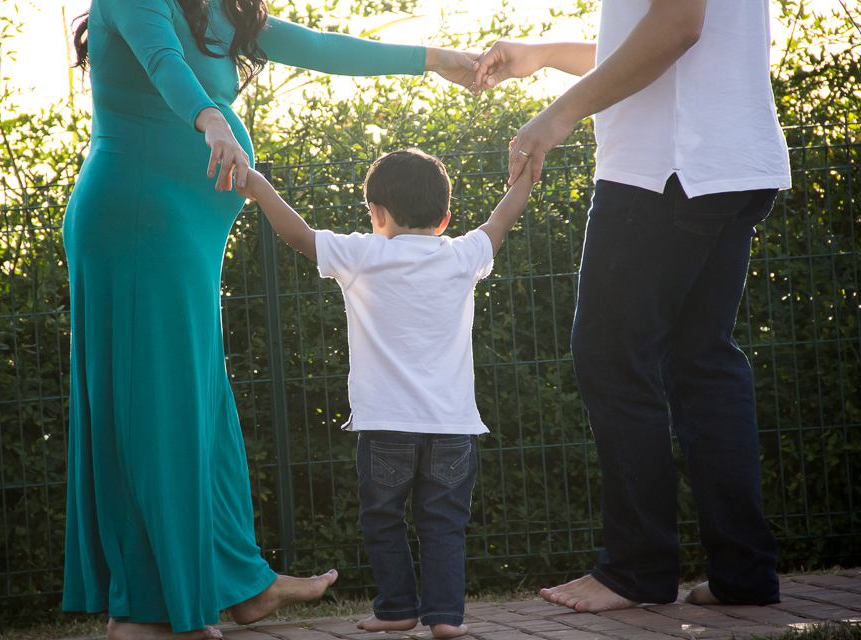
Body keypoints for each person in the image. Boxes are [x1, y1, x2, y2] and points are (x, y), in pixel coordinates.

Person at [60, 1, 483, 638]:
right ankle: (149, 607)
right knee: (157, 411)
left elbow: (319, 46)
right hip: (140, 221)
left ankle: (238, 583)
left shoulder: (211, 11)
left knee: (202, 410)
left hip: (187, 235)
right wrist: (212, 119)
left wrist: (433, 60)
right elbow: (163, 61)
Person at [472, 0, 790, 612]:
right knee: (704, 362)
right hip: (730, 160)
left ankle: (636, 570)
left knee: (613, 359)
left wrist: (557, 115)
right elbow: (655, 53)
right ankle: (743, 574)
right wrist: (540, 56)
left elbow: (675, 29)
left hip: (663, 170)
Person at [232, 149, 534, 638]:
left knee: (383, 520)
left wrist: (260, 187)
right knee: (444, 525)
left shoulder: (364, 254)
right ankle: (446, 618)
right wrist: (526, 175)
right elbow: (502, 218)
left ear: (377, 213)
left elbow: (298, 235)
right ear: (445, 218)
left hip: (386, 424)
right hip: (452, 427)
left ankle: (396, 607)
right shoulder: (462, 255)